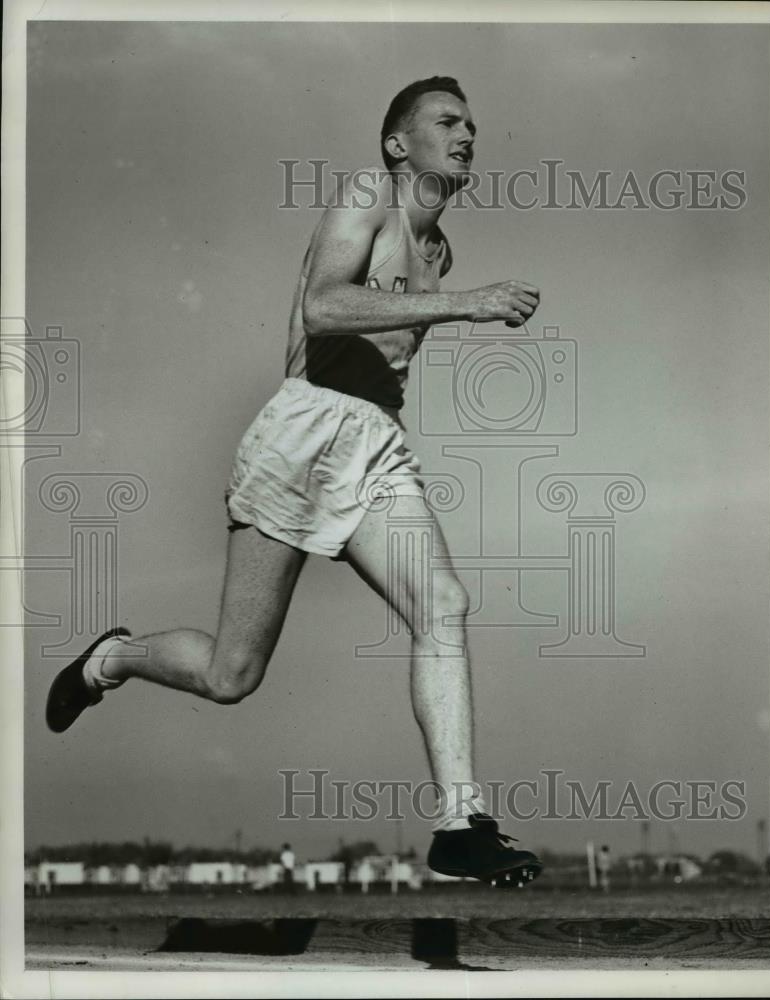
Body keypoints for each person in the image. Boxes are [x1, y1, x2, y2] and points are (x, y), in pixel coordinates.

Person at [46, 76, 543, 888]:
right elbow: (320, 307)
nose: (466, 135)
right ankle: (113, 660)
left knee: (442, 604)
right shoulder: (364, 196)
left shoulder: (438, 249)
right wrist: (470, 304)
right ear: (395, 143)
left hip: (375, 445)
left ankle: (461, 822)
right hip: (301, 436)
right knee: (231, 676)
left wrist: (454, 295)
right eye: (446, 121)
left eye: (472, 125)